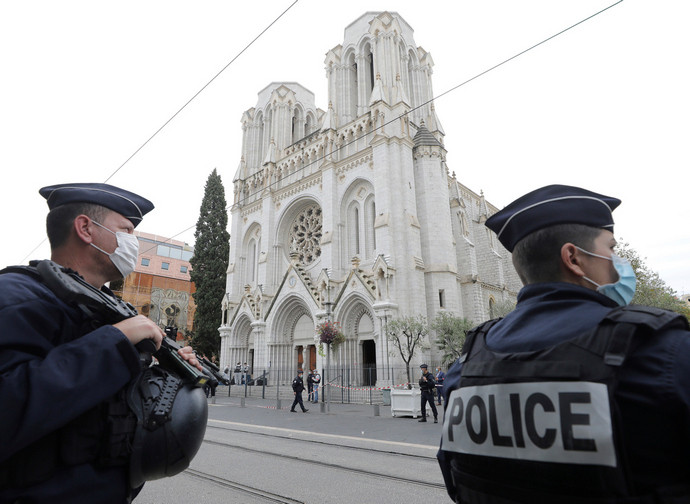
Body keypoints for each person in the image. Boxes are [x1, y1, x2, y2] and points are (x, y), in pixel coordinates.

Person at [437, 184, 690, 502]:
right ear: (573, 258)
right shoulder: (666, 353)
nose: (618, 261)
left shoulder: (464, 370)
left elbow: (456, 479)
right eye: (611, 248)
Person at [0, 182, 203, 503]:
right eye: (126, 230)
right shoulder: (16, 296)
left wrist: (170, 375)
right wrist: (117, 341)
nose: (132, 243)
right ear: (85, 228)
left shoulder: (116, 311)